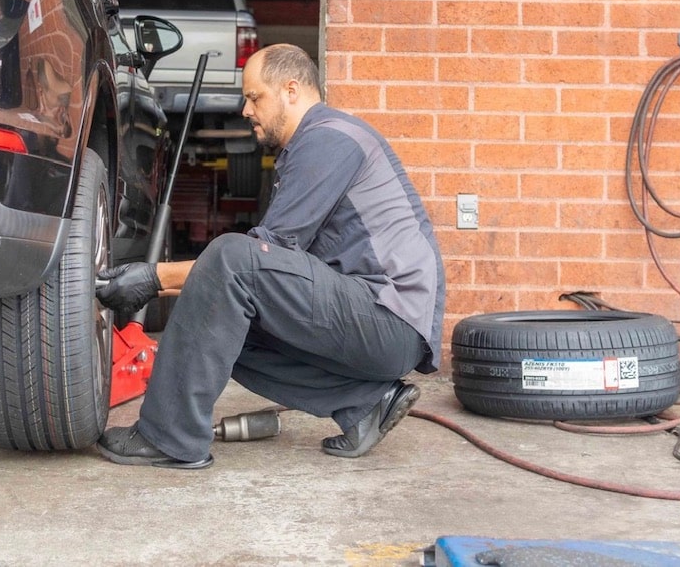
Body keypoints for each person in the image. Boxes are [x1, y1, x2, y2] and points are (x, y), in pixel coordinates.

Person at [95, 44, 445, 469]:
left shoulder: (329, 140)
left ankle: (168, 437)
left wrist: (153, 279)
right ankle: (365, 404)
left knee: (232, 254)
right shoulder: (315, 144)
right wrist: (155, 283)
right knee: (222, 325)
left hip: (389, 319)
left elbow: (255, 258)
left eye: (254, 97)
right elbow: (251, 274)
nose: (246, 110)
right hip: (374, 318)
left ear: (291, 90)